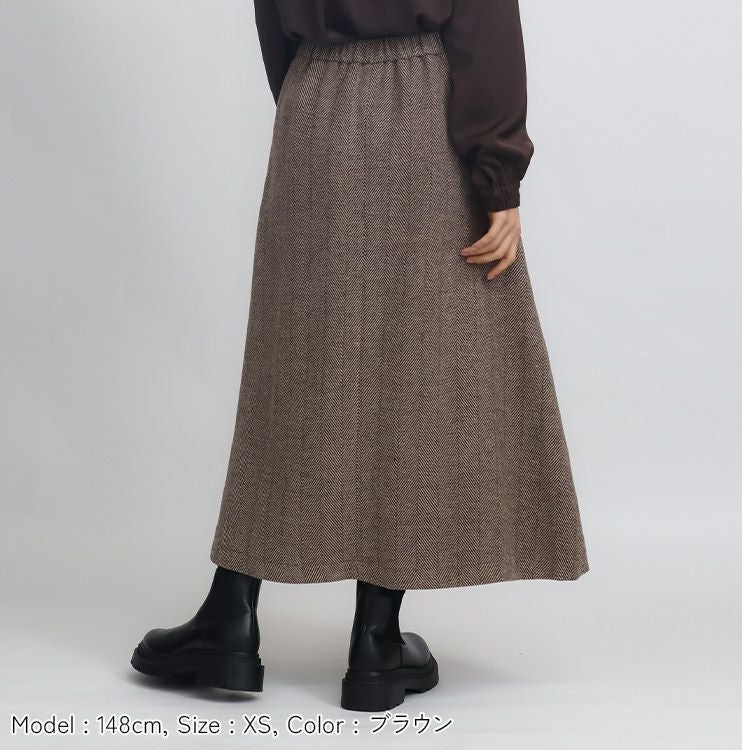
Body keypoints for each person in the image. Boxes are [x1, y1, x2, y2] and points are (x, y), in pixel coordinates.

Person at [130, 0, 589, 712]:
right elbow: (483, 18)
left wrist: (314, 104)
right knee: (416, 368)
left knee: (293, 370)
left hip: (315, 106)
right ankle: (376, 641)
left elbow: (271, 18)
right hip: (424, 113)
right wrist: (498, 173)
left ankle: (230, 619)